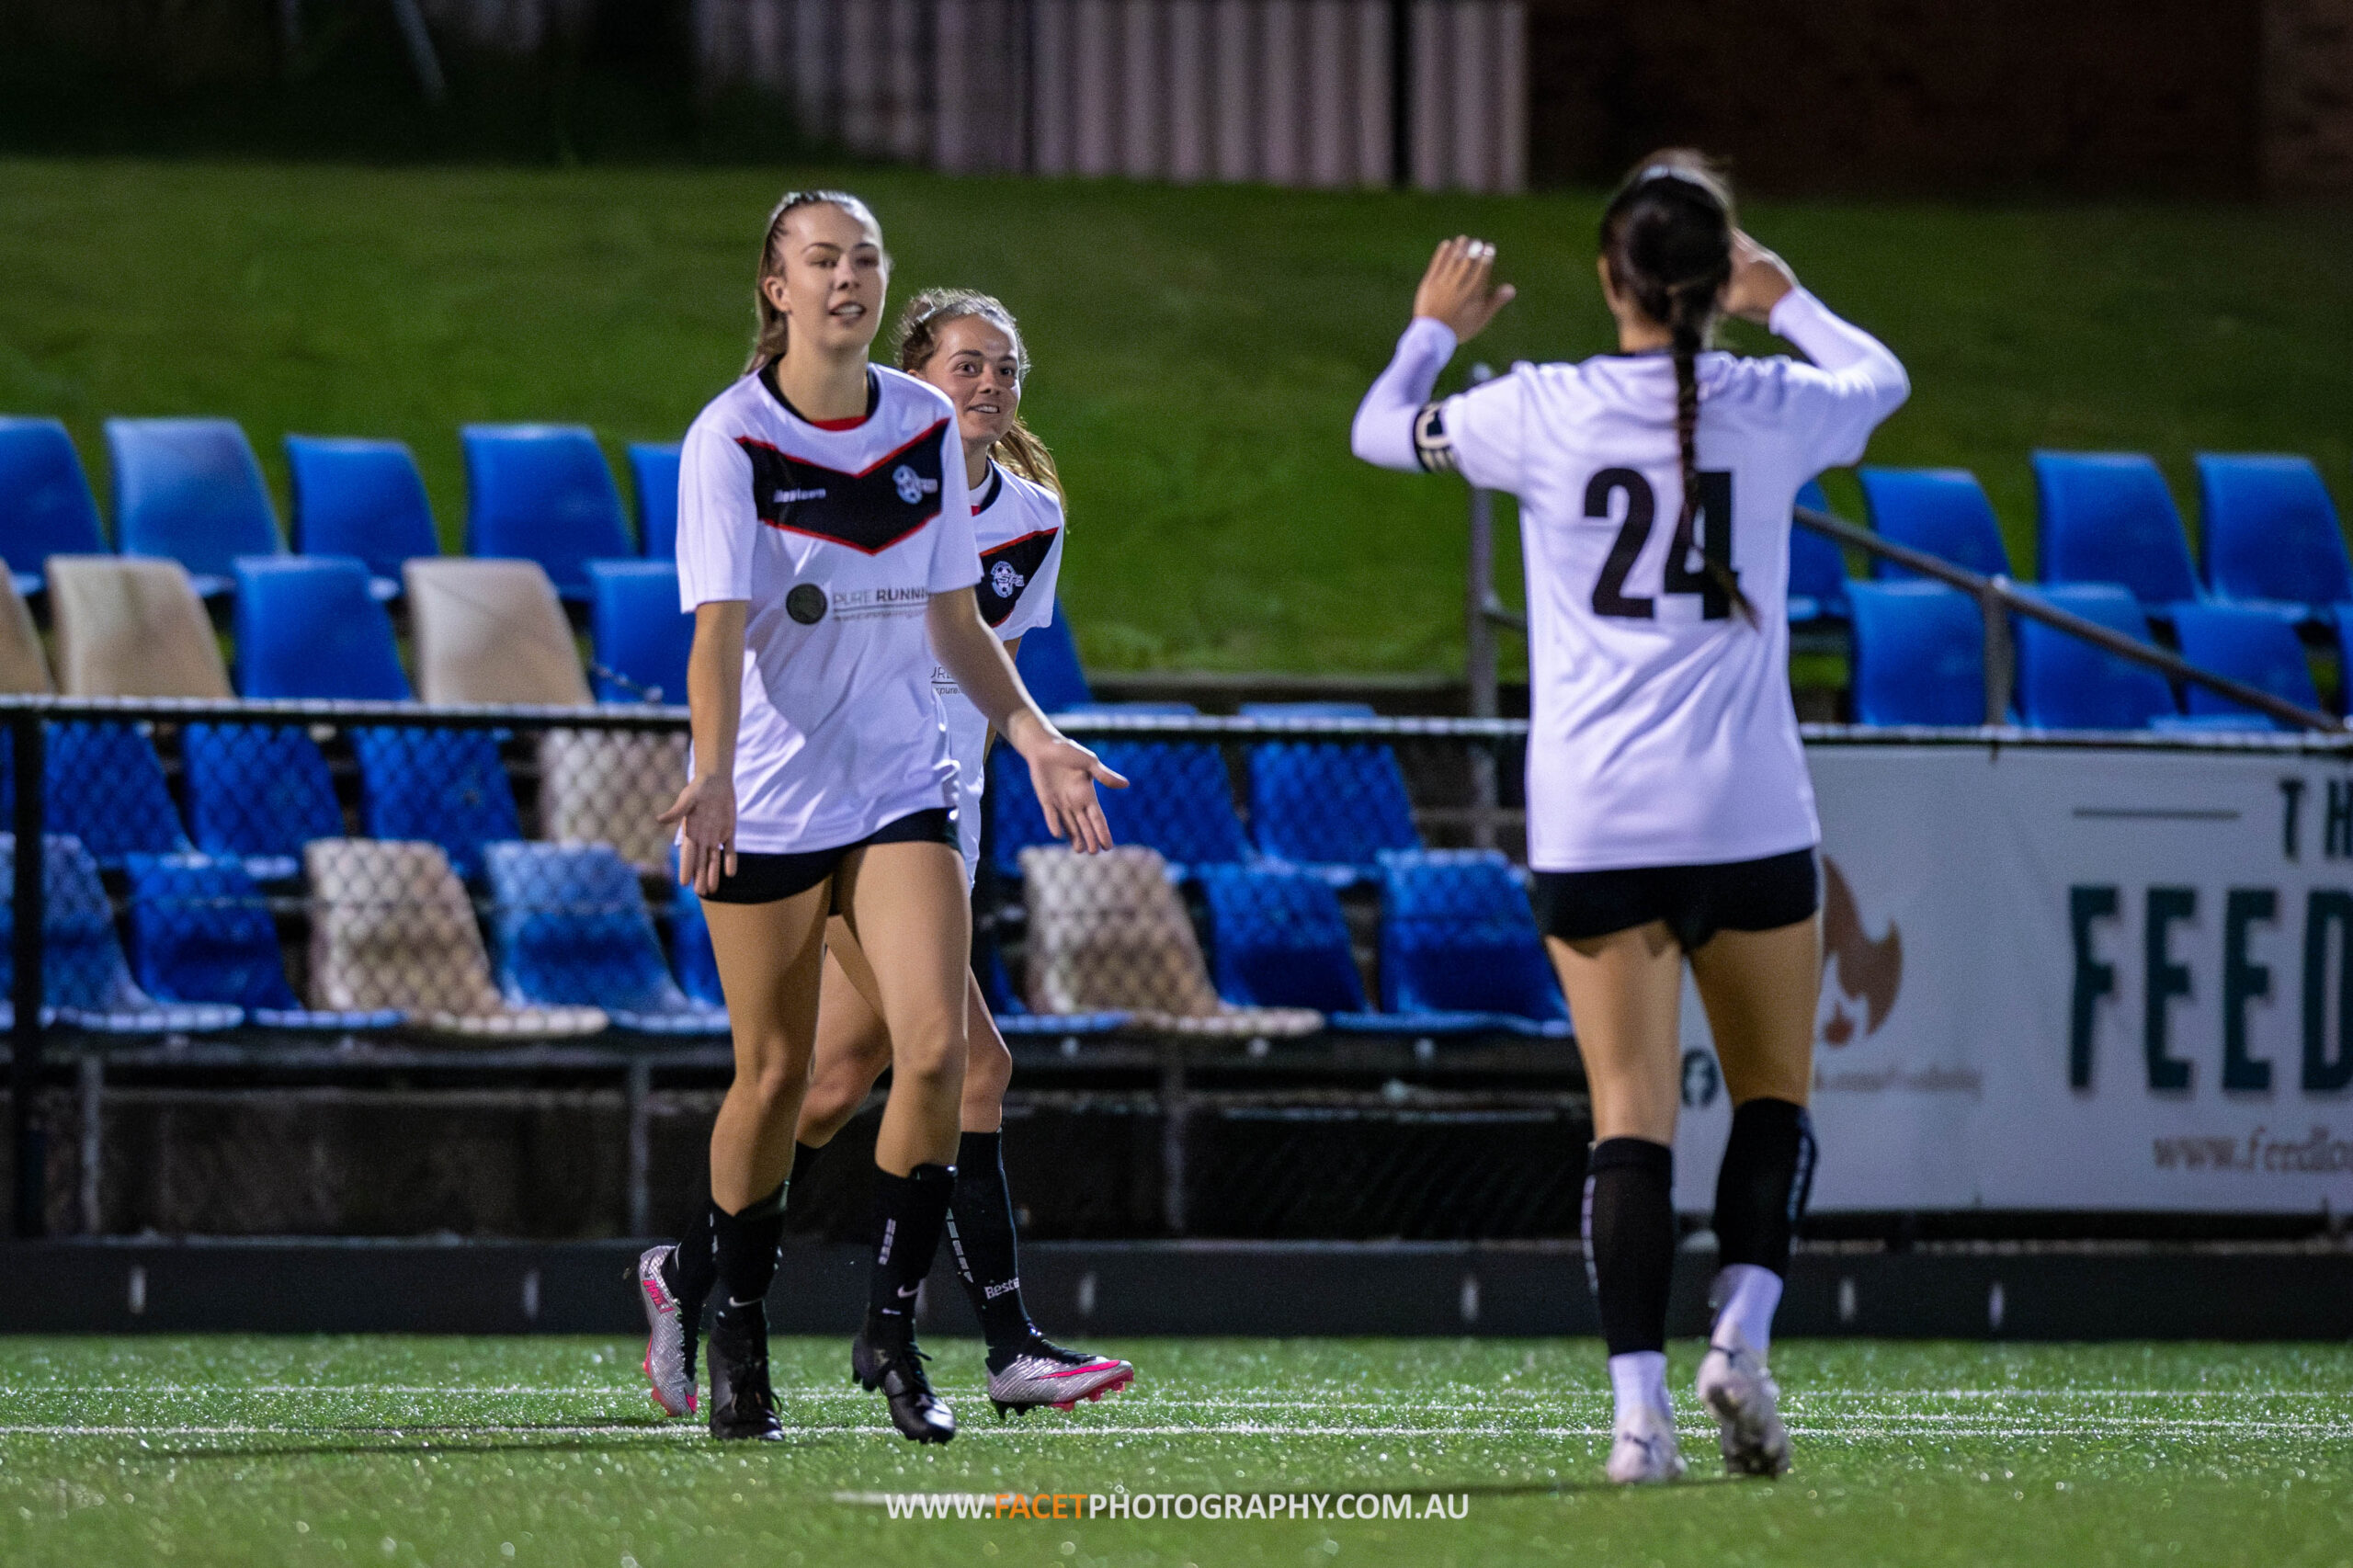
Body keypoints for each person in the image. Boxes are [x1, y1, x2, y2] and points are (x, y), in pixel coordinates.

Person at [1348, 151, 1907, 1484]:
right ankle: (1747, 1337)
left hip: (1596, 822)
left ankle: (1637, 1418)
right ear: (1719, 278)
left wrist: (1435, 326)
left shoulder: (1538, 406)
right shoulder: (1769, 402)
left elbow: (1380, 428)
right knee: (1774, 1099)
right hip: (1749, 808)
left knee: (1628, 1117)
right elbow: (1882, 381)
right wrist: (1788, 299)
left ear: (1610, 279)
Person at [631, 189, 1123, 1446]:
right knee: (784, 1074)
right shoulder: (730, 437)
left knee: (944, 1052)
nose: (844, 276)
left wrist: (1036, 735)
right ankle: (728, 1318)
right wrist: (715, 768)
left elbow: (959, 623)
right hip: (776, 793)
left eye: (862, 257)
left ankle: (894, 1339)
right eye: (819, 259)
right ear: (775, 288)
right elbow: (719, 631)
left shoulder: (922, 429)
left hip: (903, 789)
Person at [790, 287, 1136, 1417]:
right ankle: (1000, 1345)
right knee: (972, 1065)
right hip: (858, 823)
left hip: (950, 827)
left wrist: (1036, 747)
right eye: (966, 365)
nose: (989, 385)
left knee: (829, 1084)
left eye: (1005, 369)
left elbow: (993, 677)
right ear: (914, 377)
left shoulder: (1032, 514)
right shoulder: (861, 493)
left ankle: (691, 1267)